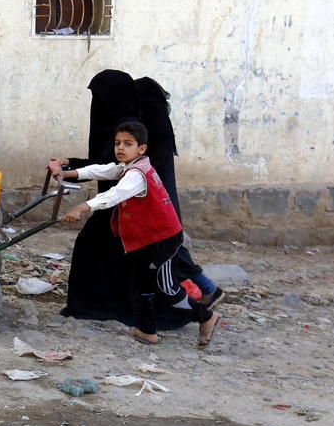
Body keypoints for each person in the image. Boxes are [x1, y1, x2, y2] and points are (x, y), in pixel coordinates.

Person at [52, 122, 221, 346]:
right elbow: (103, 170)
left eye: (127, 144)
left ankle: (206, 317)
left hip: (161, 239)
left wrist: (81, 207)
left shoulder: (138, 174)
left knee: (166, 289)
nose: (120, 148)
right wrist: (67, 172)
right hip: (145, 239)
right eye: (117, 143)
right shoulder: (130, 166)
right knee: (140, 284)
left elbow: (115, 194)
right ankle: (147, 330)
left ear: (141, 148)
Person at [52, 69, 192, 329]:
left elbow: (112, 175)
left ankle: (196, 314)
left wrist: (84, 204)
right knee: (120, 262)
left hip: (130, 206)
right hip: (123, 207)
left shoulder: (127, 129)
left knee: (137, 267)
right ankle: (114, 311)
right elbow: (106, 168)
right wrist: (68, 167)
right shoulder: (124, 126)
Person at [134, 77, 224, 308]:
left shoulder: (150, 134)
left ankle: (205, 291)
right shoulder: (159, 129)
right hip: (163, 198)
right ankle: (202, 289)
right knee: (168, 246)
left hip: (158, 199)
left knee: (169, 246)